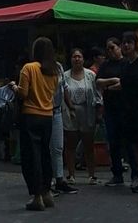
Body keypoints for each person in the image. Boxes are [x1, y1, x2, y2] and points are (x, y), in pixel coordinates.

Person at [10, 36, 59, 211]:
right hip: (47, 116)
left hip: (30, 116)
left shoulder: (29, 68)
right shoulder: (54, 71)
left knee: (32, 157)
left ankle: (37, 196)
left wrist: (14, 87)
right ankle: (47, 192)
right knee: (45, 154)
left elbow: (23, 94)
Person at [96, 37, 138, 188]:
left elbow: (125, 83)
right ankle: (117, 173)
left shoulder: (127, 64)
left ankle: (136, 173)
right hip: (110, 109)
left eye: (113, 47)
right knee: (113, 141)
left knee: (129, 143)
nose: (110, 51)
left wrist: (112, 84)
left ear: (119, 47)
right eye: (108, 48)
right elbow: (98, 81)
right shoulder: (106, 65)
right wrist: (112, 80)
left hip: (126, 108)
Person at [62, 48, 101, 185]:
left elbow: (97, 94)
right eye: (74, 57)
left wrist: (98, 111)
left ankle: (91, 175)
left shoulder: (90, 75)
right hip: (70, 111)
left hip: (87, 110)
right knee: (70, 144)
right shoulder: (65, 76)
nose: (77, 59)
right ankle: (71, 175)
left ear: (83, 59)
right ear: (71, 59)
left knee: (88, 144)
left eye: (79, 56)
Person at [117, 31, 138, 193]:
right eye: (124, 42)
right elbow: (124, 84)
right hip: (131, 111)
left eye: (129, 42)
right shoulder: (125, 64)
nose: (126, 45)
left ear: (136, 44)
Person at [50, 60, 78, 195]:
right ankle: (47, 181)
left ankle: (59, 179)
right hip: (42, 111)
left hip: (56, 111)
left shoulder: (58, 66)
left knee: (58, 147)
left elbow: (64, 87)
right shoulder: (36, 68)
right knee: (45, 147)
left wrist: (71, 107)